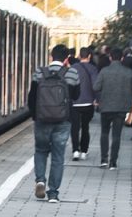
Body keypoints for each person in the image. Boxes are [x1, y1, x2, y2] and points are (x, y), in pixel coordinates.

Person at [28, 43, 80, 203]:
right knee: (58, 157)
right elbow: (76, 96)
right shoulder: (72, 73)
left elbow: (32, 97)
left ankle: (40, 180)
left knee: (41, 151)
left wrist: (35, 116)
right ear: (66, 59)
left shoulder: (39, 72)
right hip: (63, 121)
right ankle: (53, 194)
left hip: (42, 120)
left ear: (51, 56)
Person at [94, 47, 132, 170]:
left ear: (110, 58)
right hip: (121, 107)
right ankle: (113, 162)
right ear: (122, 58)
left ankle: (104, 160)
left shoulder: (104, 71)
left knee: (104, 133)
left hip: (106, 106)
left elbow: (96, 87)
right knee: (116, 135)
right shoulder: (128, 72)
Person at [70, 47, 99, 160]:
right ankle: (84, 151)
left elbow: (69, 84)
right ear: (89, 56)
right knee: (85, 127)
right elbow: (95, 85)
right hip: (88, 103)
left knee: (75, 127)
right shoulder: (93, 68)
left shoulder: (73, 68)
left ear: (79, 56)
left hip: (75, 103)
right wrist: (97, 99)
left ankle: (75, 151)